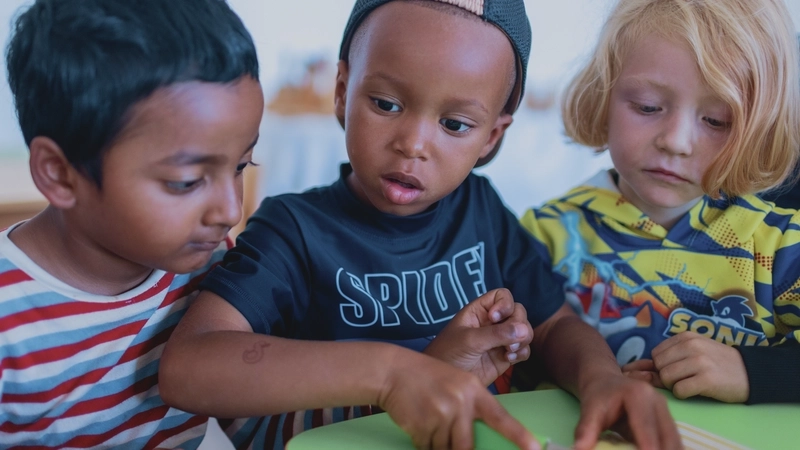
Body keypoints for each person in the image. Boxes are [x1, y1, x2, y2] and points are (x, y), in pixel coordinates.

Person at [160, 1, 680, 449]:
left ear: (492, 139)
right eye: (385, 104)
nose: (413, 143)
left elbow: (556, 324)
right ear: (342, 92)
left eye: (454, 124)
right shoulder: (293, 229)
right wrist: (393, 375)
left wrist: (601, 381)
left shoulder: (480, 210)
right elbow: (189, 366)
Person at [0, 0, 263, 447]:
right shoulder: (11, 324)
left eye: (241, 166)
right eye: (185, 182)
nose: (229, 212)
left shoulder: (212, 268)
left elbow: (256, 418)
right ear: (61, 174)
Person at [521, 0, 800, 405]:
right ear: (603, 96)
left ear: (759, 130)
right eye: (648, 107)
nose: (675, 141)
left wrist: (749, 371)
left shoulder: (781, 245)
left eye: (716, 121)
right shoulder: (544, 234)